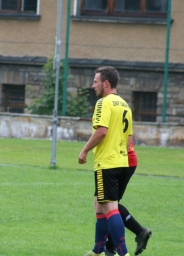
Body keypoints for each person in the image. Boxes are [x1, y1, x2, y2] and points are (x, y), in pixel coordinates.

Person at [78, 66, 132, 256]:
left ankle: (123, 253)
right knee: (99, 204)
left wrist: (84, 150)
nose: (93, 86)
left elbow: (101, 131)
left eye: (95, 82)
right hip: (121, 163)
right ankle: (97, 250)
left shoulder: (104, 103)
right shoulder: (124, 105)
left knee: (110, 208)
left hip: (107, 164)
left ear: (106, 83)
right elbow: (129, 140)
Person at [105, 137, 152, 256]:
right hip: (125, 158)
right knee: (108, 204)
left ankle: (138, 232)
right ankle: (109, 248)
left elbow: (102, 133)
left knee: (108, 204)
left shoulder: (110, 117)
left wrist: (85, 149)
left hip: (119, 160)